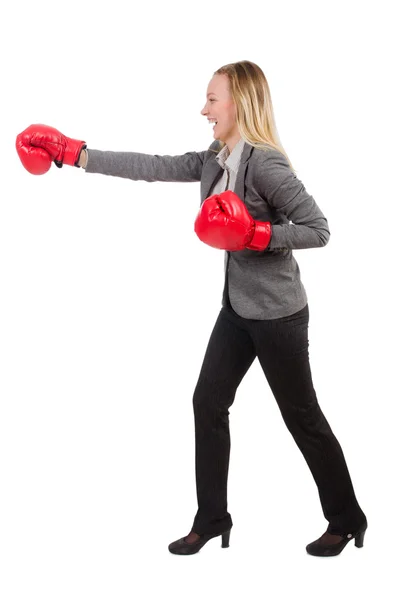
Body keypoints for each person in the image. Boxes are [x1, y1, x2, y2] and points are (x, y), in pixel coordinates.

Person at [15, 60, 367, 558]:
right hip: (236, 310)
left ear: (239, 103)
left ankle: (348, 518)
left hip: (279, 316)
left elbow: (319, 229)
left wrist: (257, 234)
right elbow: (155, 166)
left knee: (301, 416)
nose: (204, 109)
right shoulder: (215, 157)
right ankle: (212, 518)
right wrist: (78, 154)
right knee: (208, 402)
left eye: (212, 99)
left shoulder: (265, 164)